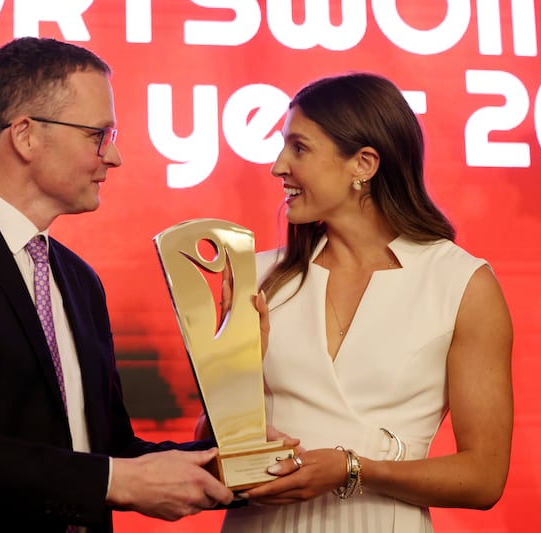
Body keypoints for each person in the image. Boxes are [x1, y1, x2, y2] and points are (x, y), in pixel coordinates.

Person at [0, 36, 235, 533]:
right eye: (98, 134)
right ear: (26, 135)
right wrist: (111, 481)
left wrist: (226, 459)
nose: (113, 156)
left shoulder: (79, 280)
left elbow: (107, 450)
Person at [213, 72, 514, 531]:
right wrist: (236, 378)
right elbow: (210, 446)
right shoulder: (254, 277)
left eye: (299, 148)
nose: (278, 166)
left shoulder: (460, 283)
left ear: (364, 164)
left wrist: (355, 470)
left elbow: (484, 478)